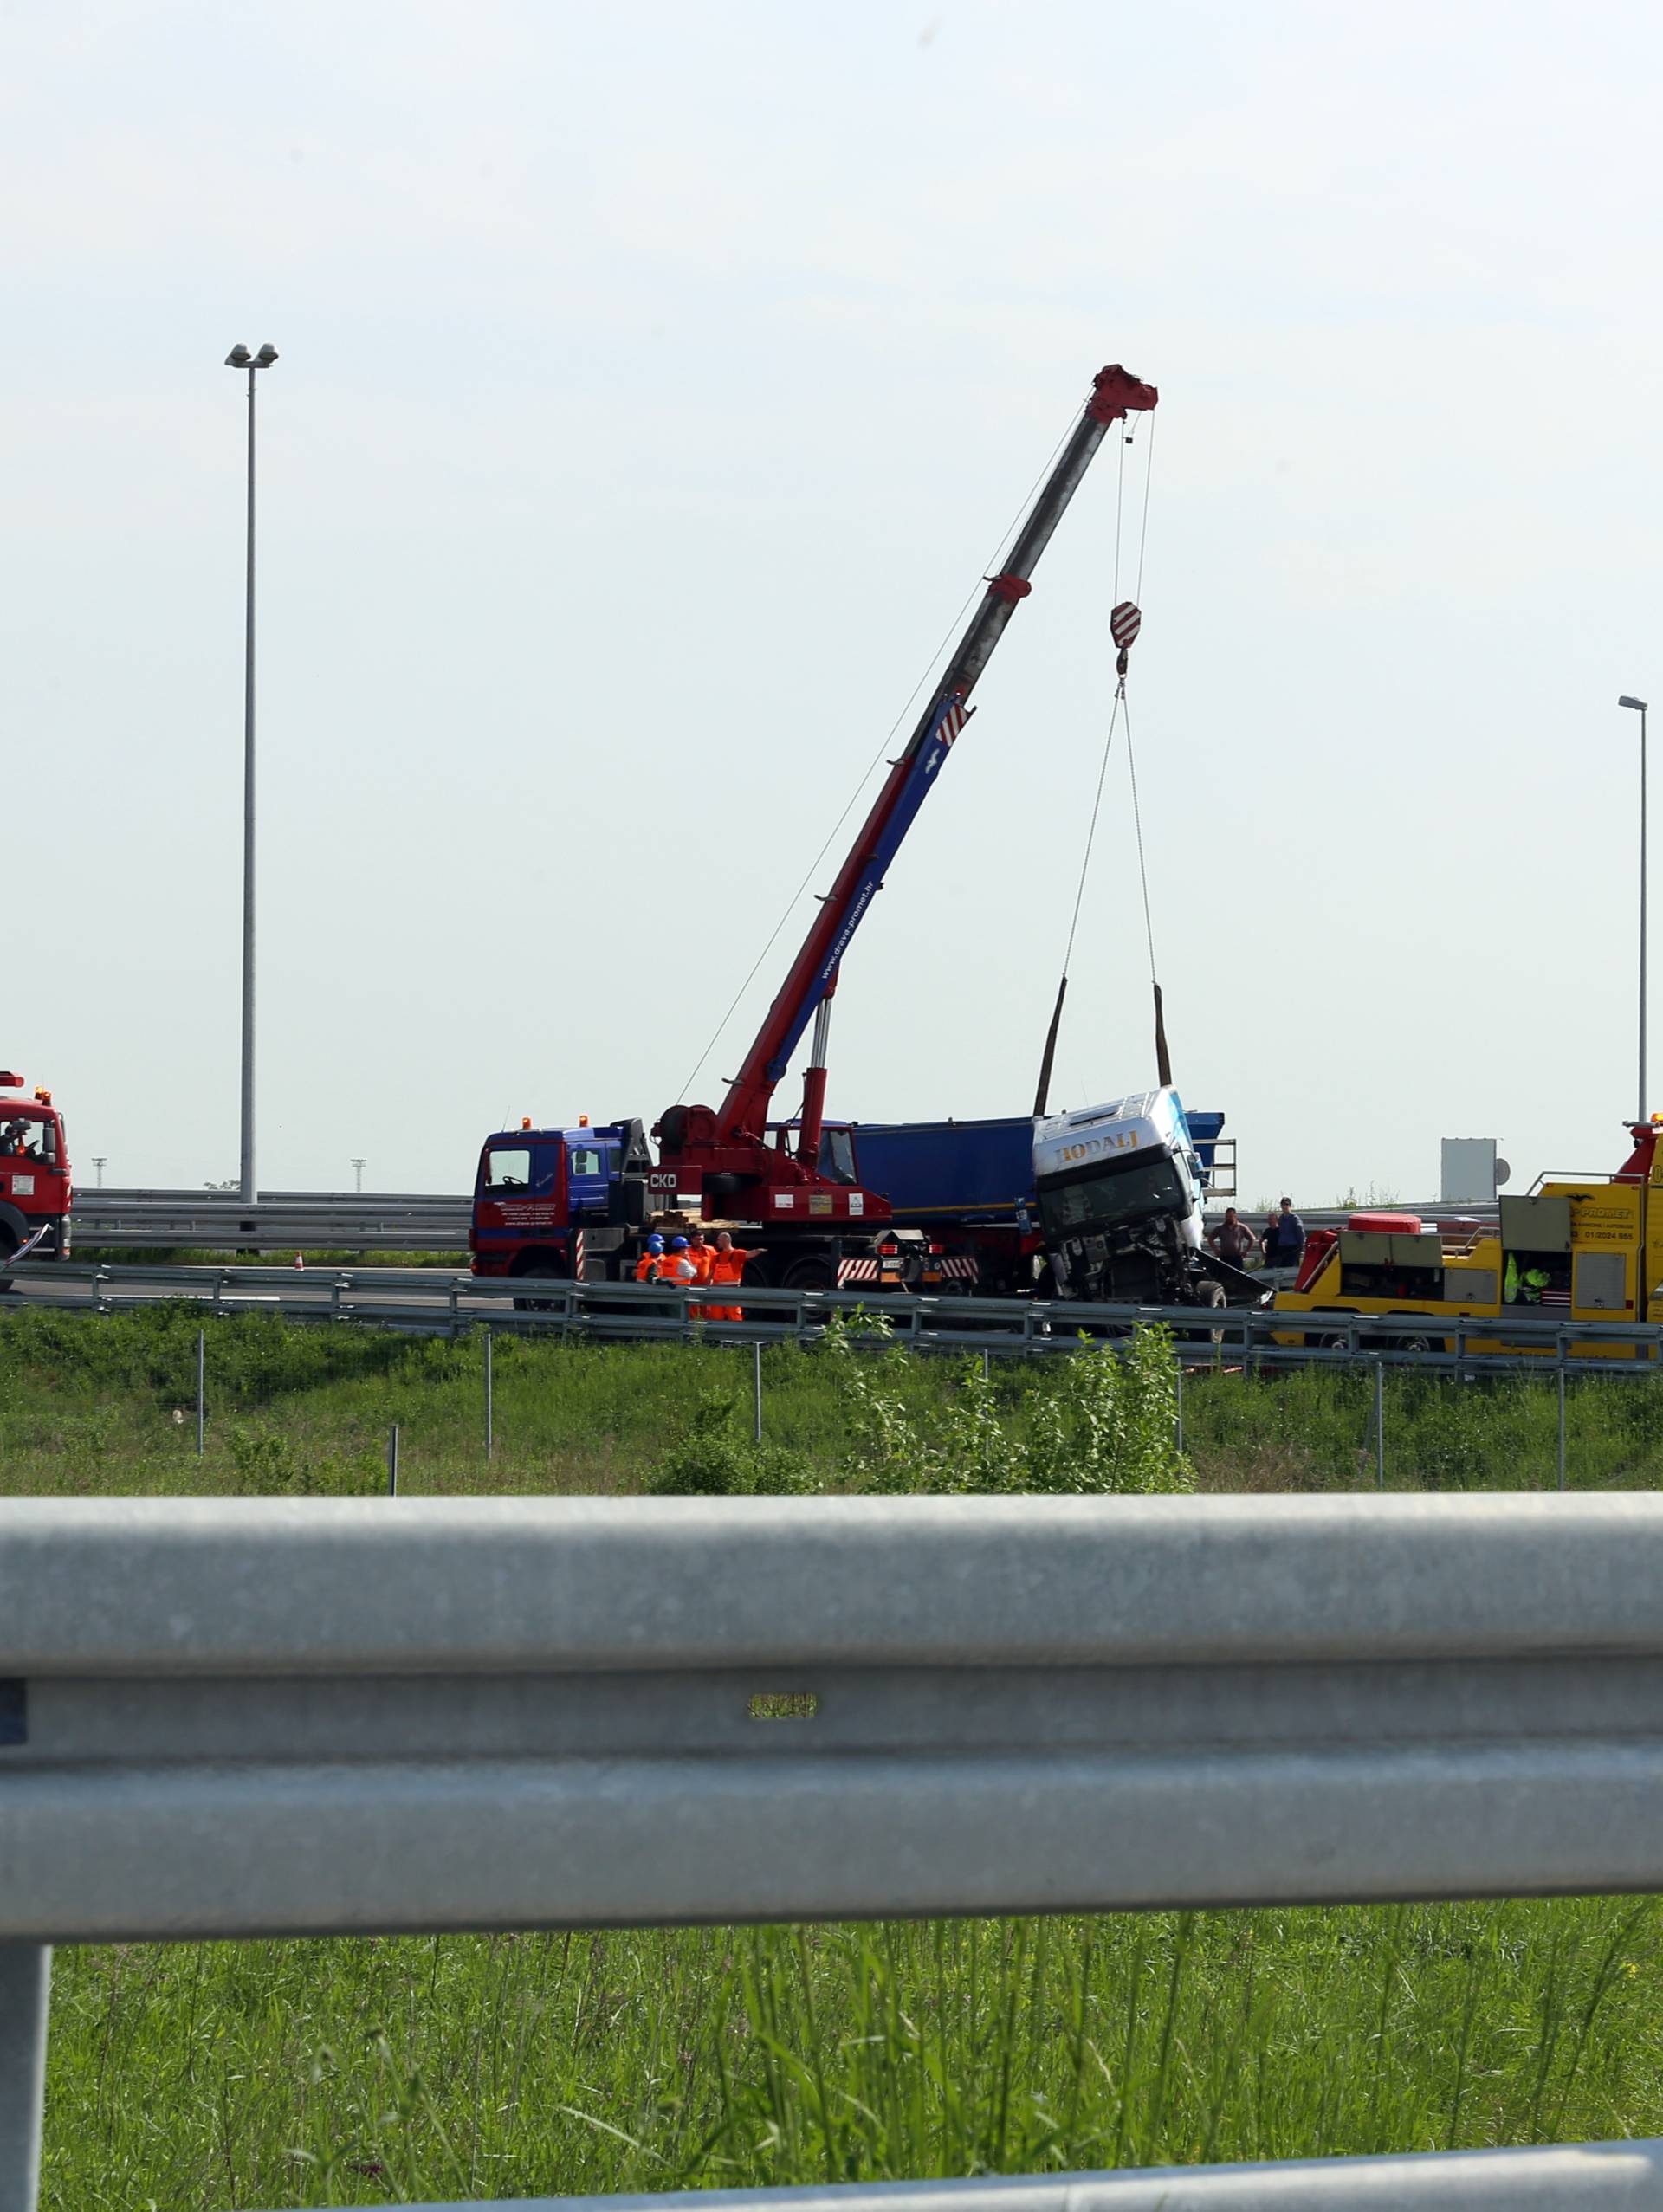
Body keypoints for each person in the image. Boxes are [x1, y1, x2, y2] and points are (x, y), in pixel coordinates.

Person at [709, 1228, 764, 1321]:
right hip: (717, 1292)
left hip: (732, 1291)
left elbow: (750, 1254)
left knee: (734, 1316)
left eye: (719, 1240)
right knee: (716, 1317)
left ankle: (737, 1334)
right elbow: (710, 1275)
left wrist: (759, 1251)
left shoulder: (737, 1254)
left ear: (726, 1240)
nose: (717, 1242)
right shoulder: (715, 1257)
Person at [1207, 1206, 1258, 1270]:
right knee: (1224, 1275)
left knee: (1238, 1276)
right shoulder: (1220, 1228)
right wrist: (1215, 1250)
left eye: (1230, 1216)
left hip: (1237, 1257)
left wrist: (1247, 1251)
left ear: (1235, 1216)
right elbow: (1210, 1238)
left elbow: (1252, 1238)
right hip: (1224, 1256)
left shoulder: (1241, 1227)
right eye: (1227, 1216)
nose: (1228, 1218)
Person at [686, 1226, 715, 1319]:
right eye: (697, 1239)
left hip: (706, 1285)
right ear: (692, 1239)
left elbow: (715, 1266)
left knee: (707, 1310)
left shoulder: (710, 1250)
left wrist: (711, 1279)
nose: (699, 1241)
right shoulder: (686, 1251)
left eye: (701, 1239)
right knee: (693, 1311)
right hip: (691, 1286)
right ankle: (695, 1330)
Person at [1276, 1197, 1306, 1269]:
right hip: (1282, 1247)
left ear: (1290, 1206)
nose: (1284, 1206)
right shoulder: (1281, 1219)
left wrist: (1300, 1245)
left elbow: (1300, 1232)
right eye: (1283, 1204)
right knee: (1282, 1267)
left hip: (1292, 1247)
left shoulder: (1294, 1218)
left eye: (1286, 1204)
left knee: (1292, 1267)